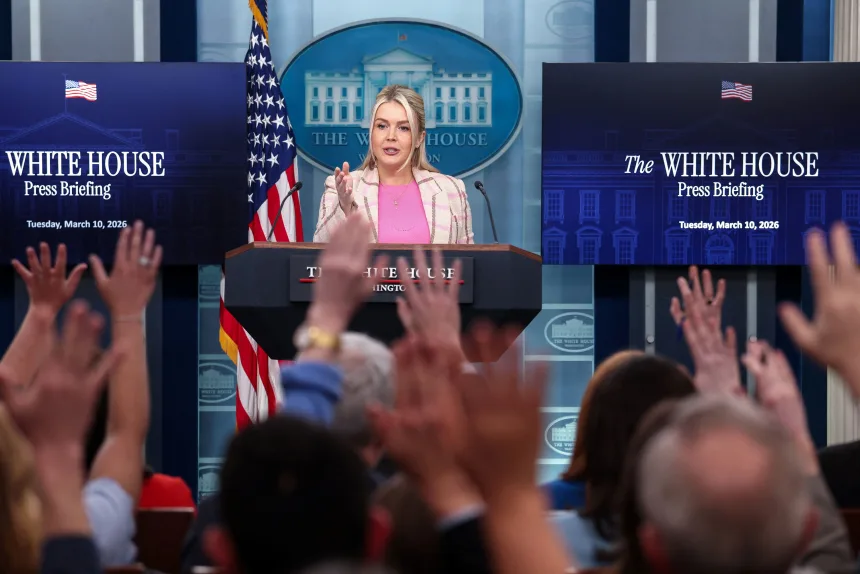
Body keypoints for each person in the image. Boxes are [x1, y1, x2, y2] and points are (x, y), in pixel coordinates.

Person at [313, 85, 474, 245]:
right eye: (382, 126)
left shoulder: (452, 190)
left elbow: (469, 264)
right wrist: (343, 205)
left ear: (419, 138)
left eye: (403, 128)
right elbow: (319, 254)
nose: (391, 136)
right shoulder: (342, 189)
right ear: (371, 132)